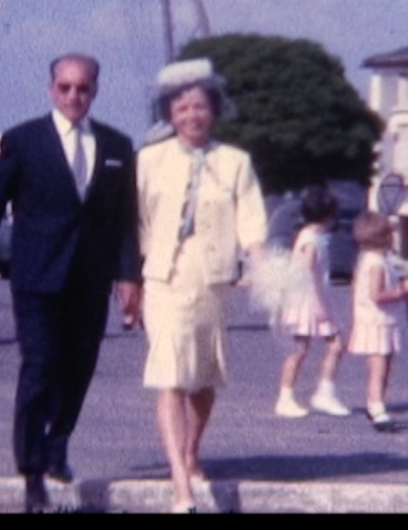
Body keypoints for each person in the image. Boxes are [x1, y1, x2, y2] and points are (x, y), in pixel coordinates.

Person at [0, 53, 140, 513]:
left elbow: (124, 220)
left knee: (77, 368)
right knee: (40, 367)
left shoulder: (118, 145)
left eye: (82, 88)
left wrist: (127, 275)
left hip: (90, 276)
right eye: (64, 87)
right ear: (50, 89)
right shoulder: (23, 140)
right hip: (38, 275)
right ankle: (31, 471)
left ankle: (58, 442)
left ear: (95, 91)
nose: (73, 96)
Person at [136, 58, 267, 513]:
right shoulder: (149, 160)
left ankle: (193, 451)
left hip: (211, 278)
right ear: (170, 115)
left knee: (203, 378)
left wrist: (260, 260)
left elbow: (252, 220)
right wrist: (129, 280)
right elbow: (134, 222)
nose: (191, 115)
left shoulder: (234, 163)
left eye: (199, 107)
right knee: (169, 375)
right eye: (182, 108)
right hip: (162, 279)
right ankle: (181, 485)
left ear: (213, 111)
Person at [274, 186, 350, 418]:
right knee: (306, 348)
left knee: (327, 345)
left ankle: (321, 393)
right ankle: (289, 398)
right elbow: (306, 274)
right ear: (328, 215)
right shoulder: (311, 241)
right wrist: (320, 308)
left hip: (312, 300)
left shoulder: (312, 236)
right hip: (309, 302)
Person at [348, 211, 408, 431]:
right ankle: (377, 409)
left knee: (384, 365)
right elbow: (377, 295)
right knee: (379, 367)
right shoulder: (376, 263)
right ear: (384, 237)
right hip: (376, 321)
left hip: (379, 321)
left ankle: (375, 404)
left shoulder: (371, 259)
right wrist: (402, 290)